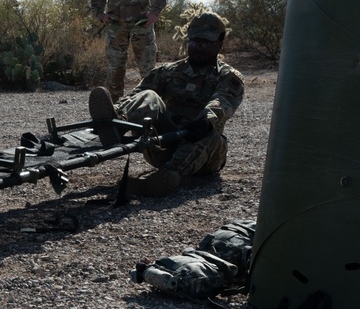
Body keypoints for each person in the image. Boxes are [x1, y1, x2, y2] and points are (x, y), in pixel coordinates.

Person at [88, 12, 244, 197]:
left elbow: (223, 101)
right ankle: (114, 122)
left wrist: (207, 120)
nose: (198, 47)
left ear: (219, 43)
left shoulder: (228, 76)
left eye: (205, 42)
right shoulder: (167, 71)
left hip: (202, 154)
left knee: (212, 136)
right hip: (163, 143)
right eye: (194, 41)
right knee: (148, 95)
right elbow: (138, 95)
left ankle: (164, 178)